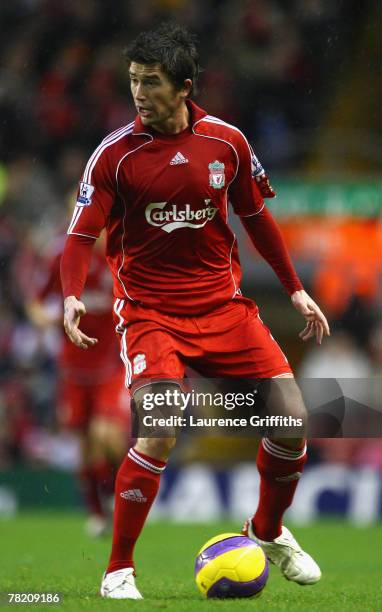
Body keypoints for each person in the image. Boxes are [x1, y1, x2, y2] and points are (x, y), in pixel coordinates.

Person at [60, 23, 330, 599]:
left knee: (292, 419)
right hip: (150, 313)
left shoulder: (226, 143)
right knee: (159, 428)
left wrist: (294, 289)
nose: (138, 93)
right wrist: (72, 293)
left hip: (224, 307)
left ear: (183, 87)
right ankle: (117, 572)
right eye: (132, 80)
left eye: (150, 82)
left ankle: (268, 531)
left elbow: (256, 217)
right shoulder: (114, 155)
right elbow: (81, 235)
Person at [28, 231, 131, 537]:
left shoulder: (121, 258)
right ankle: (97, 514)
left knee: (106, 435)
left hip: (111, 364)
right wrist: (48, 320)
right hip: (73, 368)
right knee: (85, 444)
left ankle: (117, 494)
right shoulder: (63, 257)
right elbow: (35, 303)